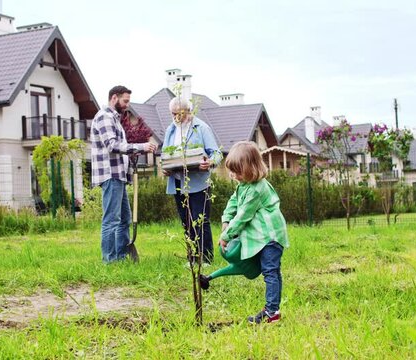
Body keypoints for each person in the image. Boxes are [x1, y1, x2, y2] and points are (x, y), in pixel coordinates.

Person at [219, 141, 289, 324]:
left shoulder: (257, 189)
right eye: (231, 171)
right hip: (263, 236)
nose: (234, 175)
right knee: (272, 271)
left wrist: (226, 236)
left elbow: (243, 216)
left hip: (271, 236)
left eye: (238, 171)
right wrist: (226, 219)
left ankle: (271, 312)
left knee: (270, 271)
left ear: (252, 168)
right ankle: (273, 309)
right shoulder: (244, 185)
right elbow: (234, 202)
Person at [91, 85, 157, 263]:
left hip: (118, 175)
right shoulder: (104, 117)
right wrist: (141, 147)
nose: (127, 105)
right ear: (114, 98)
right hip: (110, 174)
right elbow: (112, 146)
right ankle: (109, 260)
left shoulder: (115, 118)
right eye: (125, 101)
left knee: (124, 218)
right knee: (111, 220)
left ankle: (120, 256)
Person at [162, 97, 222, 265]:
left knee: (200, 221)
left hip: (198, 182)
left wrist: (209, 162)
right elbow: (165, 155)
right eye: (172, 114)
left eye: (178, 113)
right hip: (178, 182)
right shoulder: (170, 130)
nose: (175, 117)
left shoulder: (201, 128)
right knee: (186, 221)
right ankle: (193, 258)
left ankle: (206, 259)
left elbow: (217, 153)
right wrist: (165, 167)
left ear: (187, 111)